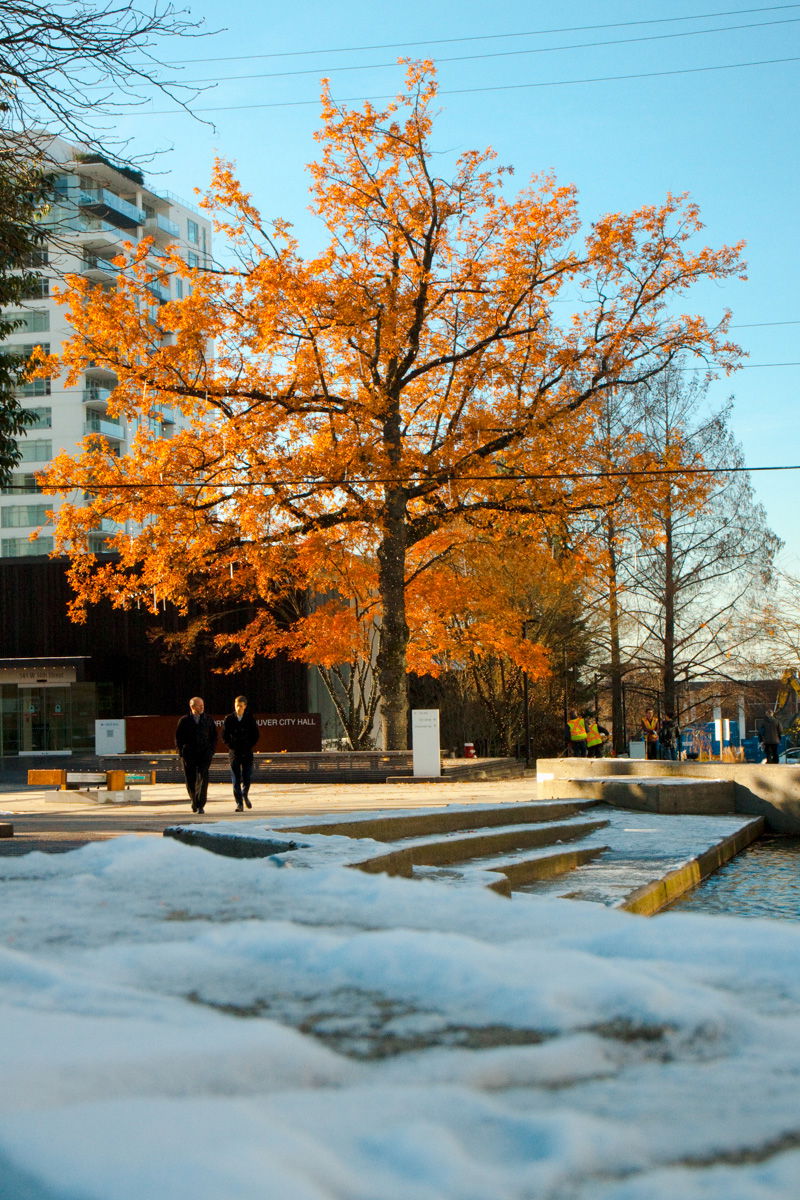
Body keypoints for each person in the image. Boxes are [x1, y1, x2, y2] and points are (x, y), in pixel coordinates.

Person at [175, 696, 218, 813]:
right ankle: (194, 800)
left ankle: (200, 804)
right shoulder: (184, 721)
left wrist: (211, 750)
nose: (202, 707)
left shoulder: (208, 720)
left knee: (203, 778)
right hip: (189, 754)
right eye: (199, 705)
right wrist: (181, 752)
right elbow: (178, 738)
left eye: (203, 704)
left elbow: (214, 736)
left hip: (204, 754)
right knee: (191, 779)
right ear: (192, 706)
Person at [222, 695, 260, 811]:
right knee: (236, 778)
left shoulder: (249, 718)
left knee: (247, 776)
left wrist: (249, 745)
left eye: (241, 706)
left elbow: (256, 735)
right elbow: (224, 736)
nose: (238, 708)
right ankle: (239, 803)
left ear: (245, 706)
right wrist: (231, 746)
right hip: (235, 752)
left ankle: (245, 794)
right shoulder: (229, 719)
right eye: (237, 705)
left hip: (247, 752)